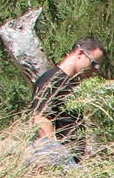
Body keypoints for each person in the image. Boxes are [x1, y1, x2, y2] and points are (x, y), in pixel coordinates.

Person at [28, 36, 106, 167]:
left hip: (72, 159)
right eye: (93, 64)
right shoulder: (52, 80)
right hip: (60, 162)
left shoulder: (69, 83)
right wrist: (57, 157)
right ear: (80, 54)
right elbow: (40, 118)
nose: (94, 70)